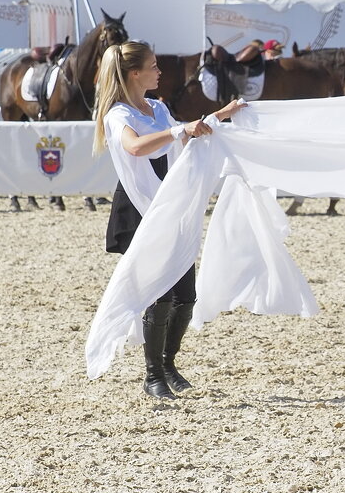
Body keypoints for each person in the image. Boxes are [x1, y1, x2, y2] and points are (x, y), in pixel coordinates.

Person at [93, 40, 245, 399]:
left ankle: (168, 362)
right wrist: (180, 130)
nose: (159, 71)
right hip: (138, 208)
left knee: (186, 296)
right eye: (153, 66)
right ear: (135, 73)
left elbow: (184, 136)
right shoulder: (119, 115)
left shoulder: (158, 108)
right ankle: (152, 375)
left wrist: (221, 114)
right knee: (159, 295)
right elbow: (135, 147)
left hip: (170, 205)